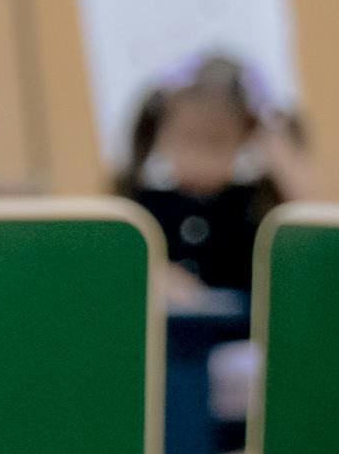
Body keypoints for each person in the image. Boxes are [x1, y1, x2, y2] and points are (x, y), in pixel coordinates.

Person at [121, 53, 303, 298]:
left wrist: (278, 149)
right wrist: (149, 274)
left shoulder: (256, 206)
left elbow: (311, 234)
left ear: (244, 138)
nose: (198, 159)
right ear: (160, 134)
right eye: (186, 139)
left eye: (215, 144)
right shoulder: (141, 209)